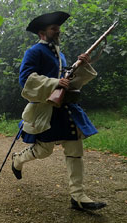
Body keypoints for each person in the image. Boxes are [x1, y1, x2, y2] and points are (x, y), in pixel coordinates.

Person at [11, 11, 106, 211]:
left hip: (66, 108)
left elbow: (70, 81)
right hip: (45, 108)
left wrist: (82, 65)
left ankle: (78, 197)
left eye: (58, 28)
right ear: (41, 33)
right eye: (53, 28)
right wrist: (55, 82)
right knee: (43, 151)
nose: (58, 31)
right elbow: (25, 79)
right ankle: (18, 159)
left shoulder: (60, 54)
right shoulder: (34, 51)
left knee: (75, 148)